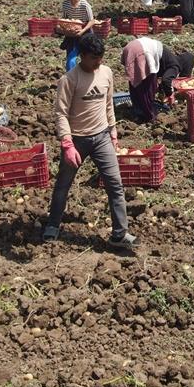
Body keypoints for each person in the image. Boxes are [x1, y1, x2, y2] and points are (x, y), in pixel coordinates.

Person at [44, 33, 135, 249]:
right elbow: (61, 114)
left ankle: (119, 234)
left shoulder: (106, 73)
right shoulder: (69, 80)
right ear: (82, 56)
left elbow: (108, 104)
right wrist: (67, 144)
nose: (98, 62)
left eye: (100, 57)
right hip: (77, 140)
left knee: (115, 184)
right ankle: (53, 224)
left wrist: (113, 132)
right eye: (94, 58)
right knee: (63, 184)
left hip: (102, 137)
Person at [119, 36, 192, 123]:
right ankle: (148, 116)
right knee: (147, 87)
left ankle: (137, 109)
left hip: (130, 47)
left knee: (136, 80)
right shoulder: (175, 65)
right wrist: (170, 94)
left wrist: (159, 86)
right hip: (142, 51)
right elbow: (166, 80)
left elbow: (160, 76)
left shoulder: (168, 58)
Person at [59, 0, 95, 72]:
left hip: (85, 33)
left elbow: (92, 21)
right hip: (72, 34)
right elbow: (65, 19)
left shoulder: (85, 5)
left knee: (89, 58)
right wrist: (63, 28)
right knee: (71, 59)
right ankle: (72, 77)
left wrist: (82, 31)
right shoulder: (65, 4)